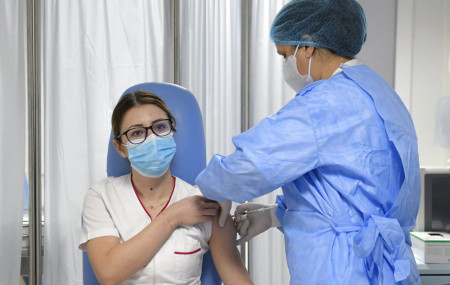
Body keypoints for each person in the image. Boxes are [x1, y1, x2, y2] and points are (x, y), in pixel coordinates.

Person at [195, 0, 421, 284]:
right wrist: (276, 215)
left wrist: (215, 186)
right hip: (390, 269)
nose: (286, 64)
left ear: (307, 46)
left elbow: (252, 164)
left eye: (285, 55)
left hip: (342, 270)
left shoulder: (325, 103)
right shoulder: (382, 94)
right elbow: (353, 192)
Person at [79, 91, 253, 285]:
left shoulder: (205, 202)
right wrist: (173, 216)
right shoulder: (102, 197)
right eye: (137, 132)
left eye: (160, 127)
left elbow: (237, 279)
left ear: (172, 131)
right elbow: (109, 273)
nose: (152, 138)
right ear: (120, 147)